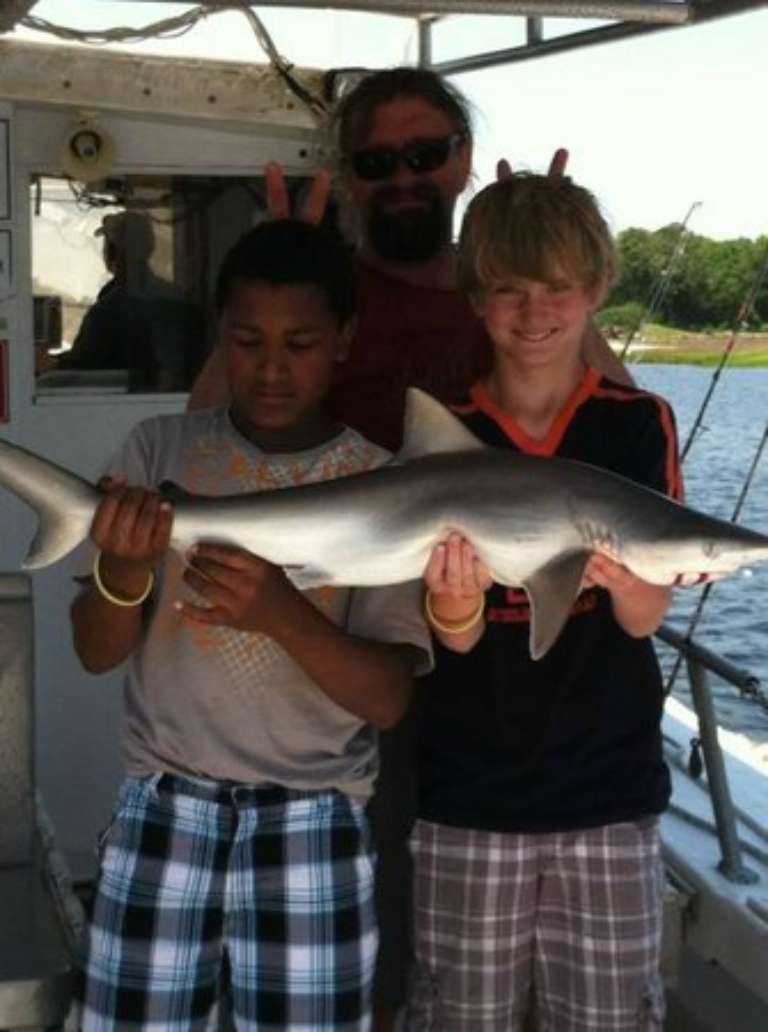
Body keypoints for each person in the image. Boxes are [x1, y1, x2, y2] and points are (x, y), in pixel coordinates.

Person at [187, 66, 633, 1031]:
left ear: (463, 162)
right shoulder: (329, 290)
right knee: (383, 927)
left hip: (497, 674)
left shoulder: (503, 293)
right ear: (348, 175)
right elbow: (205, 435)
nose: (402, 178)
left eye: (425, 154)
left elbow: (615, 463)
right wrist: (283, 264)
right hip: (348, 640)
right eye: (376, 161)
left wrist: (553, 266)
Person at [72, 218, 431, 1030]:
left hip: (314, 816)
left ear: (344, 340)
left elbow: (388, 699)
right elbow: (94, 651)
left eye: (300, 344)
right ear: (219, 336)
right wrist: (122, 572)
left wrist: (280, 613)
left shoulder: (383, 483)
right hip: (163, 807)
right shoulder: (158, 452)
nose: (271, 368)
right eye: (246, 340)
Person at [409, 173, 681, 1031]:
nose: (534, 312)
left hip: (610, 790)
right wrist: (456, 605)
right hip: (470, 790)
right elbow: (451, 639)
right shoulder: (444, 432)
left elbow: (644, 618)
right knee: (462, 1017)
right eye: (508, 289)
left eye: (558, 287)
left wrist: (630, 582)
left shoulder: (637, 424)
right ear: (475, 298)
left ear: (596, 290)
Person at [53, 211, 204, 391]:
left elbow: (81, 366)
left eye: (107, 245)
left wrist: (51, 364)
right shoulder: (177, 299)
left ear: (113, 251)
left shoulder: (110, 309)